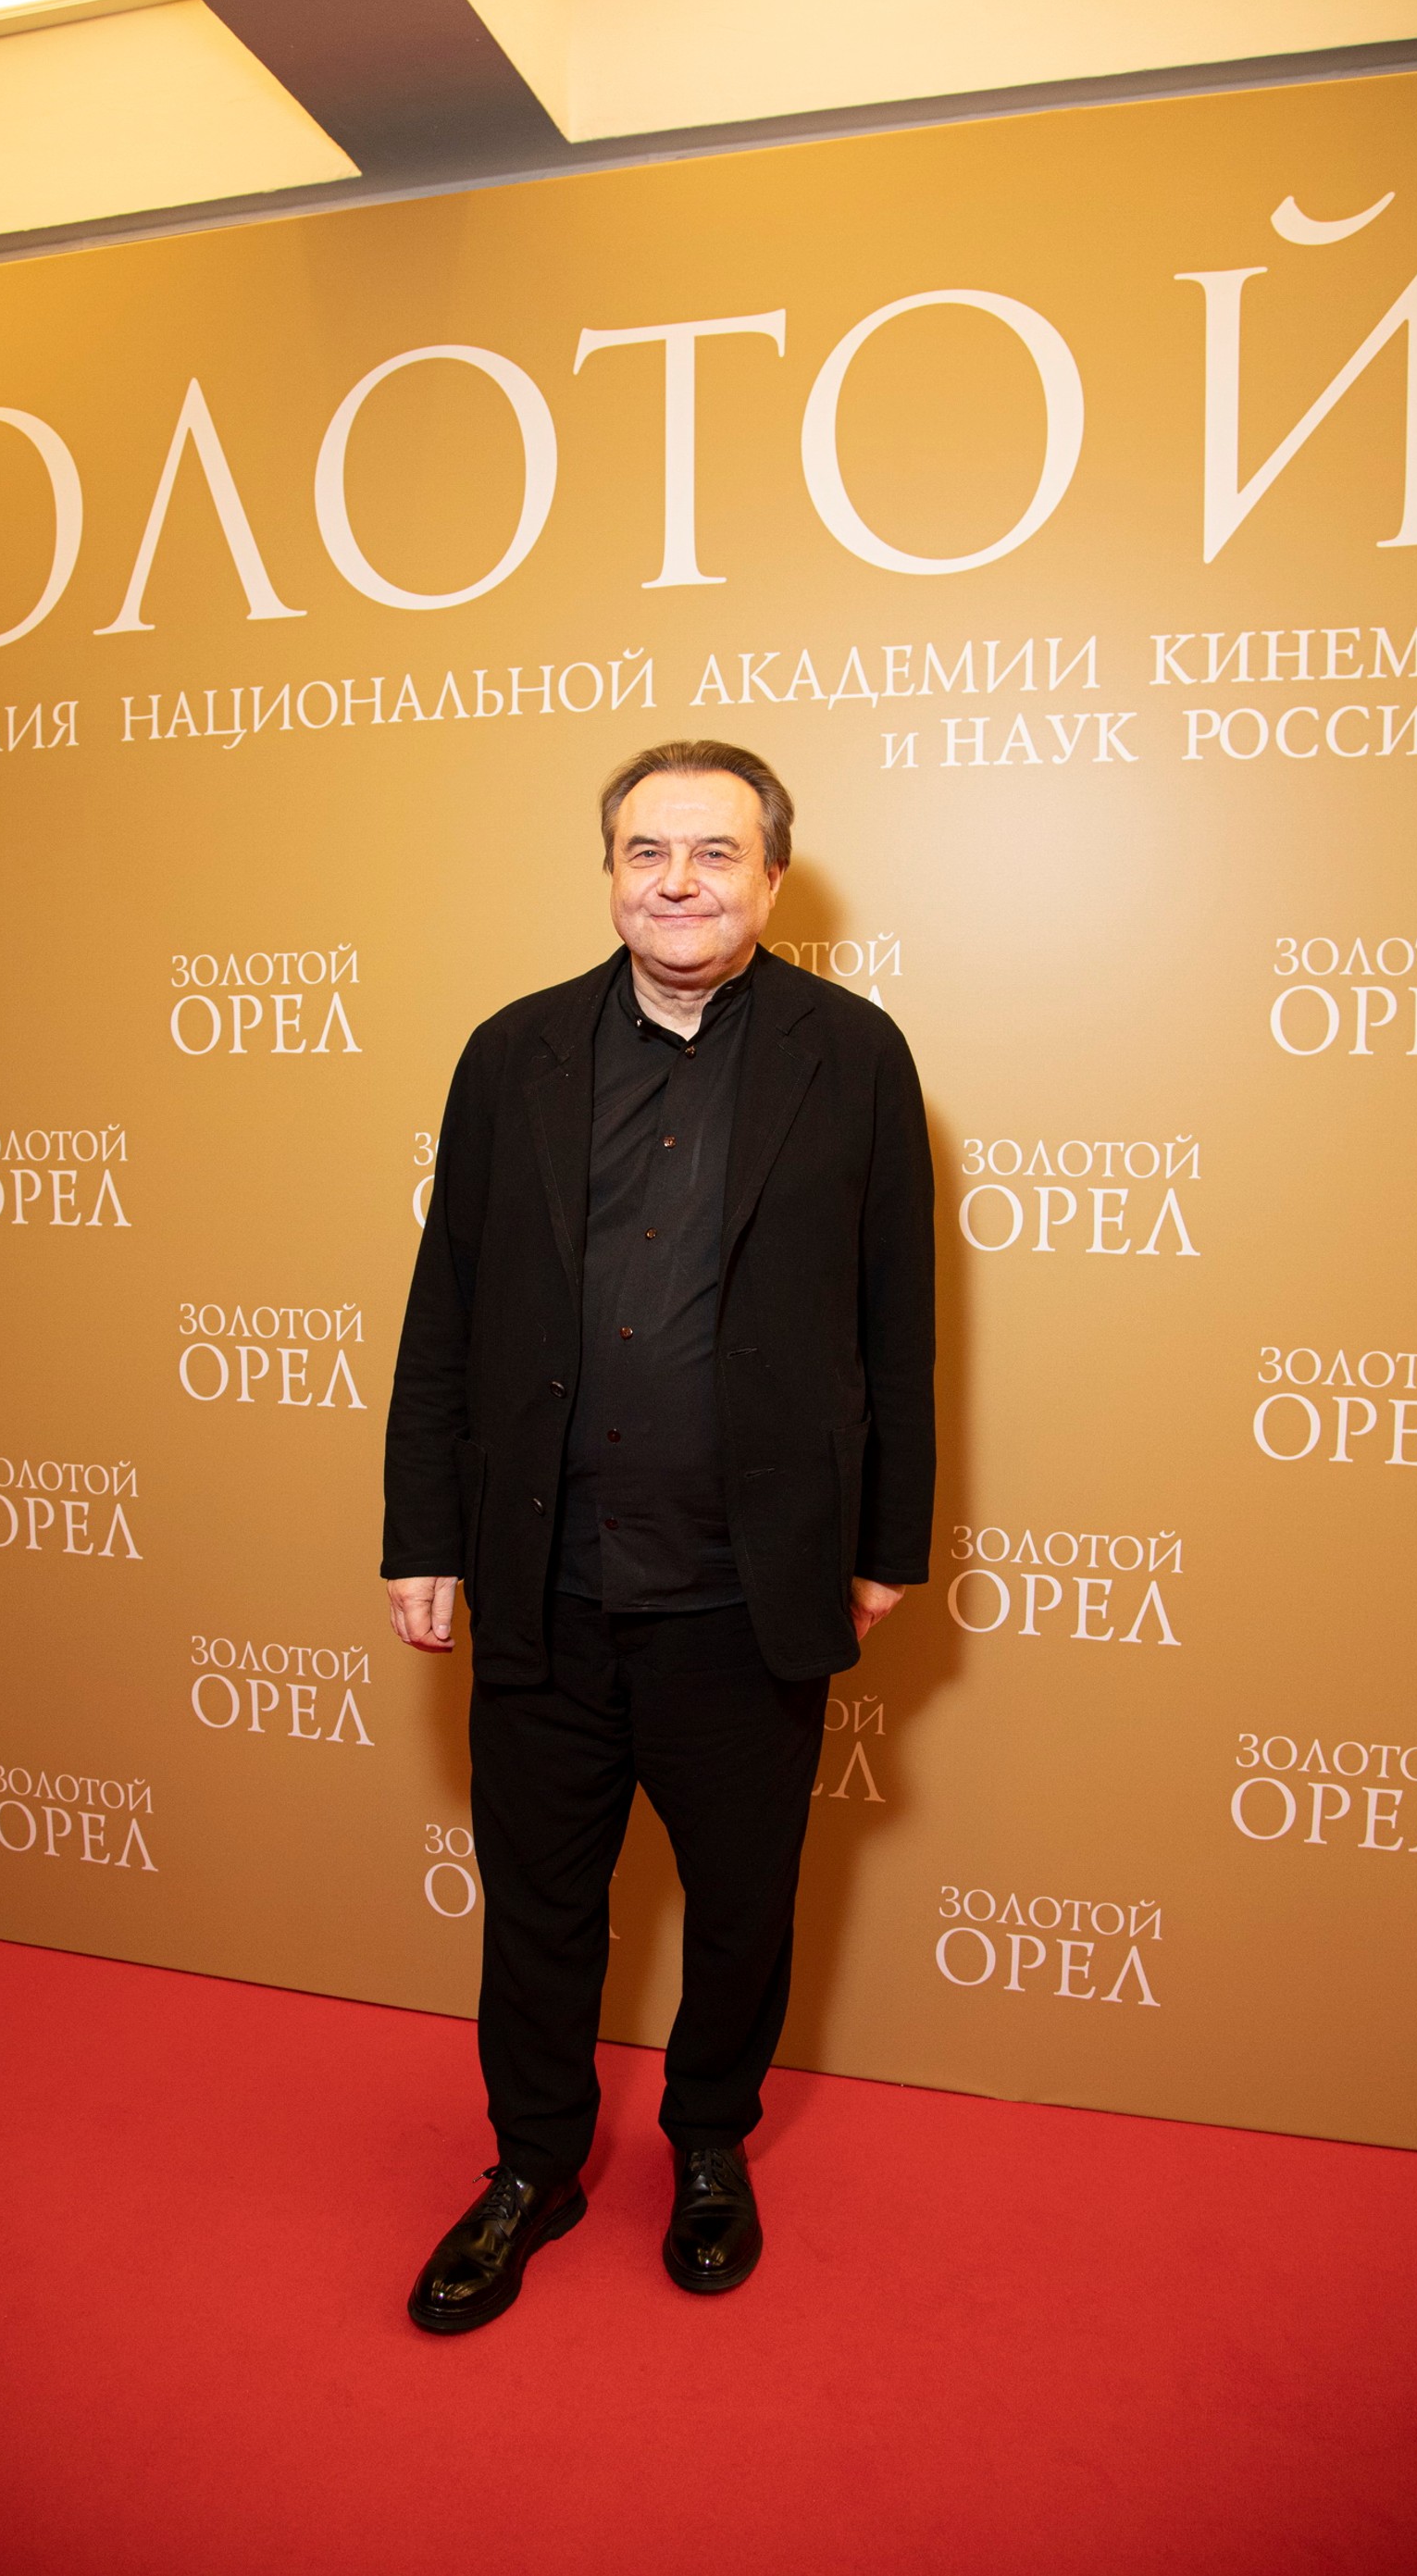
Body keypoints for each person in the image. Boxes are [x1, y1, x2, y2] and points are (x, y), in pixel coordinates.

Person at [382, 738, 935, 2333]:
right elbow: (445, 1309)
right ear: (610, 869)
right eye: (646, 850)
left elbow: (898, 1319)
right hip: (543, 1579)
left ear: (772, 875)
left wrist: (887, 1539)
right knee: (538, 1907)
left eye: (713, 851)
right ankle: (532, 2166)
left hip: (743, 1590)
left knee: (743, 1905)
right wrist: (423, 1530)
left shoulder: (856, 1055)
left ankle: (707, 2143)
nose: (676, 880)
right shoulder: (512, 1053)